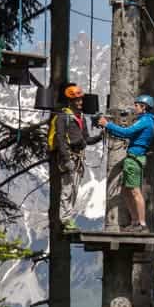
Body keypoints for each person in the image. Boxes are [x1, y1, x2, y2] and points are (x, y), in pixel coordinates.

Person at [98, 94, 154, 232]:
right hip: (134, 158)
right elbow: (128, 133)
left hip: (134, 158)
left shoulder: (145, 121)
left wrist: (108, 124)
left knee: (135, 192)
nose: (134, 107)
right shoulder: (147, 120)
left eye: (137, 105)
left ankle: (141, 224)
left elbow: (126, 132)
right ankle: (135, 222)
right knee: (126, 191)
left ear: (144, 107)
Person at [50, 84, 103, 232]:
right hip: (69, 157)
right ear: (70, 101)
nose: (80, 102)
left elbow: (86, 139)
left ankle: (68, 219)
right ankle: (66, 220)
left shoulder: (81, 118)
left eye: (80, 99)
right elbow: (60, 138)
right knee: (68, 189)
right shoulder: (63, 117)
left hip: (77, 157)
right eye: (77, 100)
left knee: (73, 189)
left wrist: (100, 137)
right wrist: (66, 159)